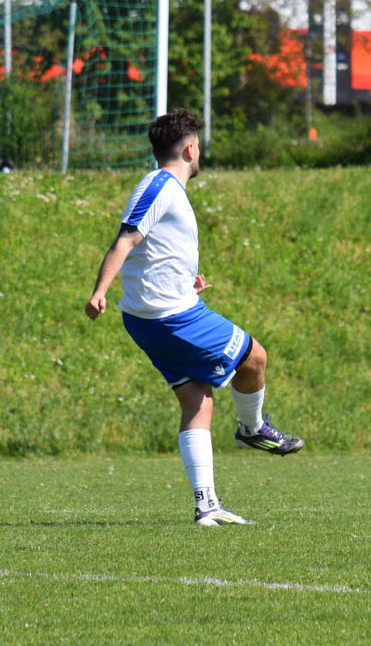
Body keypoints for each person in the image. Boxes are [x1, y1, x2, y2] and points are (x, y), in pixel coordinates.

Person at [84, 109, 303, 526]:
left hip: (157, 314)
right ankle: (252, 429)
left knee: (197, 401)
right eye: (198, 146)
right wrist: (99, 292)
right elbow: (125, 240)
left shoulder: (168, 190)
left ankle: (207, 505)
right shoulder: (160, 186)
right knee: (254, 356)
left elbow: (155, 251)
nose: (199, 153)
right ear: (189, 150)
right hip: (170, 317)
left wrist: (185, 283)